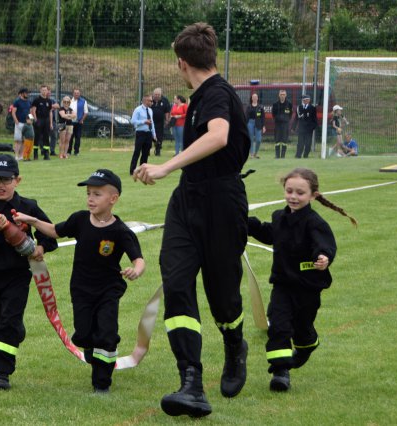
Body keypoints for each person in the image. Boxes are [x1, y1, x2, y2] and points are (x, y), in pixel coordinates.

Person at [133, 22, 250, 418]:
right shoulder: (200, 94)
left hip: (222, 200)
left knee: (223, 296)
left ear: (182, 63)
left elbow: (218, 137)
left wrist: (165, 166)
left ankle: (235, 343)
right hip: (188, 200)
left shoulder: (218, 93)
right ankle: (191, 382)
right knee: (178, 282)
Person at [13, 169, 145, 393]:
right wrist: (32, 220)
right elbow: (55, 231)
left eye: (97, 194)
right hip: (81, 290)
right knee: (84, 334)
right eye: (88, 193)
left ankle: (102, 382)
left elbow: (139, 259)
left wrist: (136, 270)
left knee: (106, 332)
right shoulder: (80, 220)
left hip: (108, 291)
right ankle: (97, 356)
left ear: (113, 199)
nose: (90, 199)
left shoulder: (120, 231)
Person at [247, 168, 357, 392]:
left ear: (313, 196)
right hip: (282, 285)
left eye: (300, 193)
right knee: (278, 325)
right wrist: (246, 223)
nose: (293, 197)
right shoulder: (279, 217)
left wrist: (324, 257)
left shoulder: (315, 223)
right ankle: (280, 371)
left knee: (302, 328)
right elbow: (269, 234)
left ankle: (308, 345)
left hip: (307, 288)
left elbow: (324, 244)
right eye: (289, 191)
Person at [0, 154, 58, 390]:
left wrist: (40, 247)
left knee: (7, 321)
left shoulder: (28, 207)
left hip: (18, 275)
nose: (0, 185)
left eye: (6, 179)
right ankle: (15, 330)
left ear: (18, 180)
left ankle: (2, 372)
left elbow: (50, 234)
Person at [129, 95, 156, 176]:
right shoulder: (138, 110)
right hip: (140, 133)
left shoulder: (150, 110)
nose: (152, 102)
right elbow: (133, 121)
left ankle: (142, 170)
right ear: (145, 101)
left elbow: (152, 123)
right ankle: (132, 170)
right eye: (150, 101)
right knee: (137, 152)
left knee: (145, 153)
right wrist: (143, 122)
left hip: (148, 134)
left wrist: (154, 134)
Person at [30, 85, 53, 161]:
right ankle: (35, 153)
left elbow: (50, 112)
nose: (44, 91)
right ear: (40, 91)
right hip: (39, 119)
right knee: (37, 137)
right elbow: (33, 110)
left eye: (45, 90)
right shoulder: (36, 100)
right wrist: (35, 120)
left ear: (47, 91)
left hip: (46, 120)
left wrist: (51, 123)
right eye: (43, 90)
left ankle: (46, 154)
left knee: (46, 137)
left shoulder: (49, 101)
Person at [293, 94, 318, 158]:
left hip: (309, 129)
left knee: (308, 144)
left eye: (307, 100)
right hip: (301, 128)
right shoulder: (299, 107)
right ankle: (298, 155)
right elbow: (296, 118)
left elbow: (314, 119)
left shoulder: (312, 108)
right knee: (300, 143)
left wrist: (313, 127)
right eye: (304, 100)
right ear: (303, 101)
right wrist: (293, 127)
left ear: (309, 100)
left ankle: (306, 155)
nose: (306, 101)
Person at [272, 90, 293, 159]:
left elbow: (290, 114)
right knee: (277, 140)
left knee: (284, 140)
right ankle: (277, 156)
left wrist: (286, 119)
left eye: (283, 94)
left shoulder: (289, 104)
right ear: (279, 95)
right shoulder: (275, 104)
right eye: (281, 94)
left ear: (286, 95)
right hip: (277, 124)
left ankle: (283, 156)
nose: (282, 96)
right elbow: (273, 114)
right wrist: (277, 119)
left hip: (285, 124)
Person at [151, 88, 172, 156]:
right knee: (149, 136)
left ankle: (158, 151)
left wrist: (167, 120)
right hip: (150, 122)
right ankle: (147, 150)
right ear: (153, 94)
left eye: (158, 94)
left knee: (159, 137)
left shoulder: (165, 100)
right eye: (155, 94)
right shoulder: (150, 100)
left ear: (161, 95)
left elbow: (167, 111)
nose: (156, 96)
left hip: (160, 122)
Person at [12, 88, 31, 160]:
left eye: (28, 93)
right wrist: (16, 122)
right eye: (26, 93)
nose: (27, 94)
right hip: (19, 123)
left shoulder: (29, 102)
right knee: (18, 140)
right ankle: (16, 156)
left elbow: (29, 112)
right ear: (22, 93)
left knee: (24, 140)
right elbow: (13, 112)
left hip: (26, 124)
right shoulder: (17, 101)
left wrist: (30, 121)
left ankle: (21, 155)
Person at [68, 88, 88, 156]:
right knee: (70, 137)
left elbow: (86, 112)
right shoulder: (69, 101)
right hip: (70, 122)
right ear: (73, 94)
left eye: (78, 93)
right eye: (75, 93)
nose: (76, 94)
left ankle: (76, 151)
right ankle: (68, 151)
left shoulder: (83, 101)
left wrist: (82, 120)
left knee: (78, 137)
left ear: (80, 94)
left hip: (79, 122)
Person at [246, 93, 266, 159]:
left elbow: (263, 117)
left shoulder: (260, 107)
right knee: (251, 139)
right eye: (253, 97)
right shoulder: (248, 107)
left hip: (258, 123)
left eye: (256, 97)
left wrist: (263, 126)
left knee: (258, 140)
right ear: (252, 98)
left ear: (257, 98)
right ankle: (251, 154)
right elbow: (246, 116)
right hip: (250, 123)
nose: (254, 98)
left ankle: (255, 153)